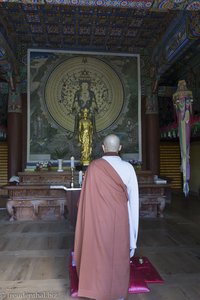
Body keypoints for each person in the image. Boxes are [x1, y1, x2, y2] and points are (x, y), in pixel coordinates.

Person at [74, 133, 139, 300]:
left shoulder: (93, 167)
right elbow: (134, 203)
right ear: (120, 148)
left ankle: (96, 289)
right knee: (118, 254)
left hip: (97, 221)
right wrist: (133, 237)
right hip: (121, 220)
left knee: (98, 253)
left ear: (103, 148)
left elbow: (85, 201)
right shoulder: (129, 168)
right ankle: (117, 293)